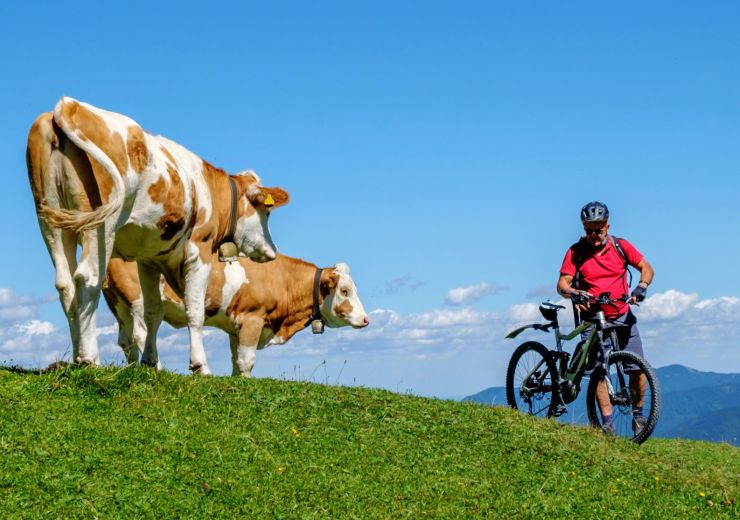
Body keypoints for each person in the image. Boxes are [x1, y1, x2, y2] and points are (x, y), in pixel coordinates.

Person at [556, 201, 654, 436]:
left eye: (598, 229)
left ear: (607, 226)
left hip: (622, 316)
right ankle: (607, 424)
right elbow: (562, 284)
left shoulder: (621, 246)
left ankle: (638, 418)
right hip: (592, 319)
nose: (594, 234)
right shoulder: (576, 252)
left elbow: (646, 268)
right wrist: (573, 292)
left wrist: (641, 287)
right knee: (599, 372)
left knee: (637, 368)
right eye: (589, 229)